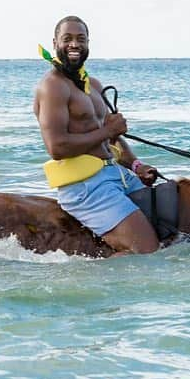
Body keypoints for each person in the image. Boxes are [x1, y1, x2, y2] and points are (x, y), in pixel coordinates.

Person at [33, 15, 160, 255]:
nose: (74, 44)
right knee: (146, 251)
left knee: (173, 228)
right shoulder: (53, 86)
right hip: (85, 187)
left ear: (88, 44)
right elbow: (56, 147)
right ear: (55, 43)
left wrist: (136, 165)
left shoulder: (94, 85)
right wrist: (107, 131)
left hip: (117, 175)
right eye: (67, 38)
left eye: (81, 39)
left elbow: (113, 139)